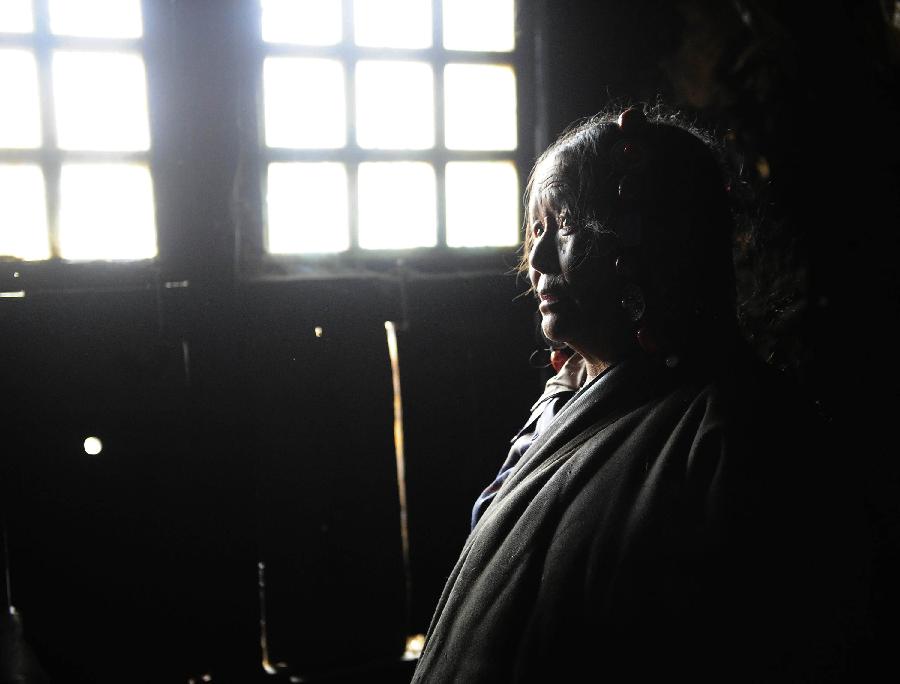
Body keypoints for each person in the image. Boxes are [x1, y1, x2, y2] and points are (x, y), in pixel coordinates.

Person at [412, 107, 865, 682]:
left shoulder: (738, 430)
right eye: (537, 230)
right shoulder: (562, 401)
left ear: (653, 240)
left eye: (569, 224)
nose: (540, 260)